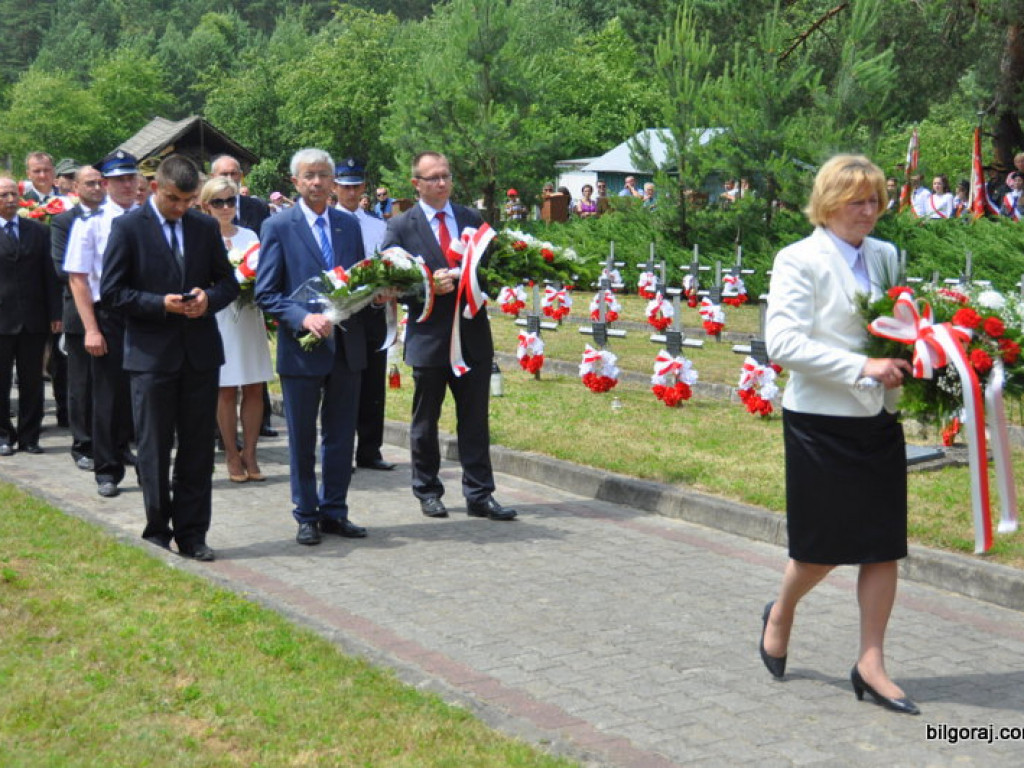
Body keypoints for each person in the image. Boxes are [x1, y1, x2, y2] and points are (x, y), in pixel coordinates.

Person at [760, 154, 918, 716]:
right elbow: (783, 343)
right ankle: (781, 610)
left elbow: (900, 327)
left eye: (875, 200)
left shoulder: (887, 256)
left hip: (878, 421)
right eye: (857, 201)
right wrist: (860, 367)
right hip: (819, 422)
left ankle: (871, 663)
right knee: (820, 552)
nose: (869, 211)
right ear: (828, 204)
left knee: (881, 547)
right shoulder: (797, 259)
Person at [100, 155, 238, 561]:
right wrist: (161, 304)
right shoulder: (128, 228)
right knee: (154, 448)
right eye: (175, 199)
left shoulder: (205, 226)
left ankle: (194, 533)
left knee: (197, 450)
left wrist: (207, 299)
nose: (181, 207)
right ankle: (157, 529)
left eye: (189, 200)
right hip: (150, 356)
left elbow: (227, 282)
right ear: (155, 188)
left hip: (199, 355)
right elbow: (112, 293)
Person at [380, 151, 517, 522]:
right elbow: (390, 282)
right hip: (429, 336)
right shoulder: (400, 226)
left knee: (475, 418)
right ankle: (427, 490)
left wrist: (470, 281)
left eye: (446, 176)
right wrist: (427, 287)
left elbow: (493, 271)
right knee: (426, 419)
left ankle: (480, 493)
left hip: (471, 334)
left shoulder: (473, 220)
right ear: (416, 184)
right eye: (433, 177)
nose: (442, 183)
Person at [255, 148, 369, 546]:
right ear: (296, 182)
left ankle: (335, 511)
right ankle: (306, 514)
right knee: (303, 437)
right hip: (302, 350)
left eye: (323, 175)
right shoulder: (279, 227)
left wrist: (378, 291)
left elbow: (358, 281)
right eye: (309, 176)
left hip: (346, 348)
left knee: (340, 437)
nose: (317, 182)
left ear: (333, 180)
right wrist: (303, 318)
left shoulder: (347, 226)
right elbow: (266, 293)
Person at [65, 150, 141, 498]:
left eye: (131, 177)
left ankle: (144, 463)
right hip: (108, 316)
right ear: (106, 183)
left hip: (146, 314)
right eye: (119, 179)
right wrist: (91, 328)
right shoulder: (91, 223)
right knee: (108, 395)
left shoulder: (150, 219)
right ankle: (107, 469)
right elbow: (78, 279)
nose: (127, 184)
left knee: (144, 394)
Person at [200, 177, 273, 483]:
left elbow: (263, 269)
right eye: (218, 202)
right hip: (218, 317)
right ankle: (231, 452)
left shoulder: (250, 235)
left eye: (231, 201)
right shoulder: (201, 237)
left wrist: (251, 283)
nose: (226, 207)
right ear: (206, 206)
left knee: (255, 386)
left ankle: (251, 452)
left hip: (248, 316)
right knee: (226, 388)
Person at [334, 158, 395, 473]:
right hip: (341, 312)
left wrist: (390, 289)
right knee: (344, 385)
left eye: (356, 186)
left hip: (372, 310)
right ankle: (341, 450)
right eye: (345, 186)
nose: (351, 191)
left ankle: (370, 450)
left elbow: (389, 263)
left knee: (373, 383)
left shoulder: (377, 224)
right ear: (335, 187)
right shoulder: (328, 221)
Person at [0, 176, 60, 456]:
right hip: (2, 321)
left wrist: (55, 313)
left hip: (33, 320)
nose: (10, 200)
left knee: (32, 382)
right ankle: (3, 434)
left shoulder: (37, 231)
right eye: (3, 195)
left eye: (13, 194)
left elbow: (50, 276)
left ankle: (29, 437)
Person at [51, 165, 105, 470]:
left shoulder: (117, 219)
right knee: (81, 384)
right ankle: (83, 444)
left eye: (100, 183)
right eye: (90, 183)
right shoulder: (63, 222)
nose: (96, 188)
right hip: (78, 310)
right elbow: (62, 268)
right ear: (76, 188)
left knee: (112, 383)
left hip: (112, 309)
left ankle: (114, 443)